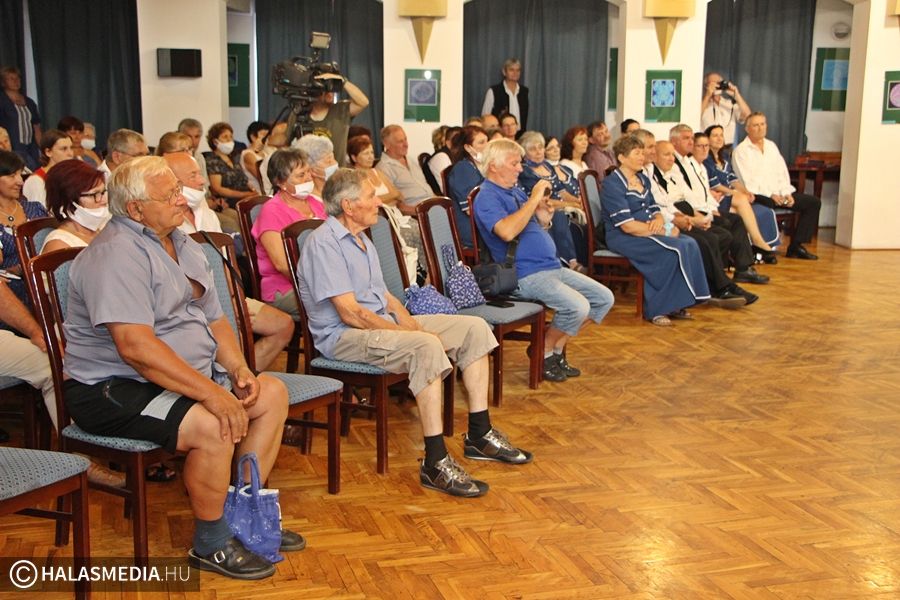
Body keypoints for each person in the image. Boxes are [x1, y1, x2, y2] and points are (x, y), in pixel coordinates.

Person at [63, 155, 295, 579]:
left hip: (179, 376)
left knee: (272, 394)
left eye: (177, 190)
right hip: (112, 389)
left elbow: (215, 318)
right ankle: (211, 542)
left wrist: (238, 368)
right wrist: (212, 394)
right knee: (214, 423)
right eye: (169, 195)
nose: (181, 199)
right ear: (136, 209)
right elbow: (136, 348)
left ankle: (244, 516)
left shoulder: (180, 242)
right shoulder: (115, 254)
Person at [298, 168, 532, 497]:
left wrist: (409, 321)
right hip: (343, 337)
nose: (379, 202)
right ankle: (434, 462)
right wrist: (407, 334)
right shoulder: (324, 243)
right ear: (348, 206)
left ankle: (479, 434)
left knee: (474, 329)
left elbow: (385, 297)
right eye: (371, 196)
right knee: (425, 346)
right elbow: (351, 313)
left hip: (379, 324)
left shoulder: (362, 238)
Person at [474, 139, 614, 380]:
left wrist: (543, 219)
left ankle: (553, 349)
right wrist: (533, 200)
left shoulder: (514, 191)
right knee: (578, 307)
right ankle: (543, 352)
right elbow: (506, 232)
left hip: (551, 266)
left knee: (603, 299)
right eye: (514, 163)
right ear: (494, 166)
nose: (520, 168)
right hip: (524, 273)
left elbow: (531, 227)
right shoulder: (487, 196)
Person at [166, 151, 294, 372]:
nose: (203, 180)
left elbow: (222, 261)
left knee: (283, 325)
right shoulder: (163, 223)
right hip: (189, 307)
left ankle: (240, 379)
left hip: (223, 295)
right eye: (193, 175)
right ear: (173, 183)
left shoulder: (205, 212)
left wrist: (233, 298)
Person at [600, 136, 710, 326]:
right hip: (624, 237)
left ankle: (677, 303)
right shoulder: (613, 184)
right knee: (673, 250)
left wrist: (661, 222)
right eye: (636, 153)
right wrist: (664, 231)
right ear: (622, 158)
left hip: (648, 229)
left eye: (642, 153)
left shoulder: (643, 178)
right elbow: (627, 225)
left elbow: (654, 208)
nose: (642, 157)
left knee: (690, 243)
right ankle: (657, 310)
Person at [645, 135, 756, 308]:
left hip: (680, 215)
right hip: (663, 223)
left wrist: (698, 217)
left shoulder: (669, 172)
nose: (671, 158)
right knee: (707, 239)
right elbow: (658, 208)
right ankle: (721, 287)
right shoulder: (646, 176)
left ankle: (717, 284)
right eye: (665, 154)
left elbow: (679, 200)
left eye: (672, 155)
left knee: (722, 233)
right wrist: (686, 219)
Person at [668, 124, 769, 285]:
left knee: (736, 221)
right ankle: (716, 277)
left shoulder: (691, 163)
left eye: (692, 138)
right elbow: (685, 196)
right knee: (725, 227)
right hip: (691, 211)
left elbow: (702, 192)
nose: (691, 142)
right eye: (687, 139)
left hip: (703, 208)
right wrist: (703, 212)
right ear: (674, 142)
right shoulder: (675, 165)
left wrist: (712, 208)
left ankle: (743, 269)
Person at [732, 112, 822, 260]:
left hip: (779, 194)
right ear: (747, 129)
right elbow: (748, 182)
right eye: (756, 125)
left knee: (813, 202)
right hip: (758, 195)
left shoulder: (771, 146)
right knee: (766, 203)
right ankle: (764, 247)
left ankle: (796, 246)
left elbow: (782, 173)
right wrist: (771, 195)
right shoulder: (741, 151)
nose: (760, 128)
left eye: (763, 124)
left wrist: (786, 193)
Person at [252, 148, 327, 317]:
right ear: (281, 182)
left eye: (308, 172)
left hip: (323, 278)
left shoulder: (316, 203)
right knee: (337, 305)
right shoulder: (271, 211)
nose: (309, 178)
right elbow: (282, 264)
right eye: (301, 175)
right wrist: (320, 283)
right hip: (286, 287)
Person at [698, 127, 779, 260]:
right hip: (716, 197)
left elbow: (733, 179)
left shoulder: (724, 156)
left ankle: (743, 253)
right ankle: (758, 242)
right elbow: (715, 185)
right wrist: (735, 193)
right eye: (715, 136)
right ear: (708, 139)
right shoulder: (707, 159)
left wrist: (746, 191)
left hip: (727, 196)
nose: (719, 138)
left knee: (737, 210)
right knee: (741, 200)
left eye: (721, 135)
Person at [517, 131, 586, 272]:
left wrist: (579, 202)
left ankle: (578, 262)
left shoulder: (547, 166)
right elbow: (543, 200)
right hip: (541, 209)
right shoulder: (525, 171)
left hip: (559, 207)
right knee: (559, 215)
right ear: (525, 153)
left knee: (581, 219)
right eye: (533, 149)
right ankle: (570, 263)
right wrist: (571, 205)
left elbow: (562, 192)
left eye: (540, 147)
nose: (538, 152)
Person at [347, 134, 424, 259]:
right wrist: (390, 198)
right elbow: (367, 201)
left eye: (372, 152)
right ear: (354, 157)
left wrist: (383, 198)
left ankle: (422, 270)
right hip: (377, 221)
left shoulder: (377, 172)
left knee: (421, 229)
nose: (370, 157)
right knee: (410, 233)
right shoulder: (353, 177)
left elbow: (399, 195)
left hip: (396, 216)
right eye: (365, 153)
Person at [0, 151, 47, 307]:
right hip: (11, 296)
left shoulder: (35, 209)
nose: (20, 181)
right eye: (12, 176)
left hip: (45, 286)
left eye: (20, 174)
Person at [41, 159, 109, 253]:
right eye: (95, 194)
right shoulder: (58, 245)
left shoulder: (103, 229)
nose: (104, 200)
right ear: (69, 200)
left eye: (103, 192)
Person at [306, 73, 369, 166]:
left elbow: (363, 102)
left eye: (332, 90)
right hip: (310, 172)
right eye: (325, 89)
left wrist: (343, 81)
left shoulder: (340, 109)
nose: (330, 93)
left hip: (337, 171)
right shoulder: (300, 112)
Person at [375, 125, 433, 214]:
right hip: (415, 214)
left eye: (405, 139)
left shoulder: (411, 160)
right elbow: (394, 206)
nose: (406, 144)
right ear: (387, 144)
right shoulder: (383, 168)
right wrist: (422, 212)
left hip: (432, 207)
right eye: (400, 141)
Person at [446, 125, 488, 249]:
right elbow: (470, 209)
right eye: (481, 142)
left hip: (482, 225)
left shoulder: (480, 167)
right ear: (468, 147)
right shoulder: (463, 169)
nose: (487, 146)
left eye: (487, 141)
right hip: (472, 231)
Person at [205, 122, 256, 208]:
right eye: (225, 137)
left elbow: (244, 179)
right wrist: (244, 195)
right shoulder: (212, 160)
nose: (229, 140)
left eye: (231, 136)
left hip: (246, 196)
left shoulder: (234, 157)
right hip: (228, 201)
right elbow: (217, 189)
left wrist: (253, 191)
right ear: (215, 142)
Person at [0, 66, 41, 171]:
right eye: (11, 78)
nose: (16, 81)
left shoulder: (29, 102)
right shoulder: (2, 101)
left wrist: (42, 146)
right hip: (11, 146)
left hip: (31, 146)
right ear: (3, 82)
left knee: (34, 169)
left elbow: (36, 128)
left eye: (17, 78)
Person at [21, 129, 74, 207]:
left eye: (71, 148)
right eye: (64, 149)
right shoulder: (36, 181)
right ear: (48, 152)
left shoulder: (71, 176)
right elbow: (39, 212)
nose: (70, 153)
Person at [700, 73, 752, 146]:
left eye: (719, 83)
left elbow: (748, 116)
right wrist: (708, 95)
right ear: (706, 86)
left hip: (727, 147)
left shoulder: (729, 104)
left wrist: (736, 95)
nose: (717, 85)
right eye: (713, 83)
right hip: (706, 146)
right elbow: (695, 117)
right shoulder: (702, 104)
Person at [482, 58, 529, 130]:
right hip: (500, 133)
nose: (515, 73)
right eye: (511, 70)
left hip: (520, 133)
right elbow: (485, 116)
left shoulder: (524, 92)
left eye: (518, 70)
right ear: (504, 72)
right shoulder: (493, 91)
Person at [259, 122, 289, 195]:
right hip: (276, 195)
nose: (269, 137)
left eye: (273, 134)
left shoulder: (291, 155)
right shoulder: (273, 158)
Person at [178, 118, 209, 185]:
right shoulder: (175, 158)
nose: (193, 141)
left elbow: (205, 185)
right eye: (189, 136)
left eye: (197, 136)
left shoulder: (200, 157)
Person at [241, 121, 269, 193]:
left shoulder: (265, 153)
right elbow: (261, 176)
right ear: (253, 137)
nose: (266, 138)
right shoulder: (248, 155)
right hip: (258, 194)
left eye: (268, 135)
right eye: (263, 135)